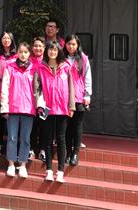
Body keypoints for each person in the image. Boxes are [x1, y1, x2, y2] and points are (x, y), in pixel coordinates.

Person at [0, 42, 44, 178]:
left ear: (29, 54)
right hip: (13, 108)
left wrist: (39, 105)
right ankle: (11, 164)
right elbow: (4, 88)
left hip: (28, 109)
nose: (23, 55)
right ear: (17, 53)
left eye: (26, 52)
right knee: (12, 138)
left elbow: (39, 89)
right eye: (21, 52)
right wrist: (4, 107)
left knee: (25, 138)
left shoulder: (35, 68)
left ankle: (23, 165)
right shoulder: (10, 67)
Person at [38, 40, 75, 183]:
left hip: (62, 108)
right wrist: (39, 106)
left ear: (59, 51)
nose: (52, 52)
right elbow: (37, 88)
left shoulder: (66, 67)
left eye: (55, 49)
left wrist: (71, 106)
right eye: (50, 49)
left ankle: (60, 171)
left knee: (61, 139)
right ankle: (48, 170)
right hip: (47, 108)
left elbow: (71, 88)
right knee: (47, 139)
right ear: (46, 51)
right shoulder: (41, 67)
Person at [63, 34, 92, 166]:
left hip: (78, 96)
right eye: (69, 44)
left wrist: (87, 94)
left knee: (77, 125)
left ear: (78, 45)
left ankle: (75, 153)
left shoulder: (83, 58)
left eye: (74, 44)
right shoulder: (61, 57)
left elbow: (87, 77)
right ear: (65, 45)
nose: (71, 46)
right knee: (66, 126)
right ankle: (68, 152)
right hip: (64, 96)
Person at [0, 31, 17, 156]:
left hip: (13, 93)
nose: (6, 40)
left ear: (12, 40)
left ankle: (12, 146)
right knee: (0, 118)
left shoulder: (17, 56)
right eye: (4, 38)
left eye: (8, 38)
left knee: (13, 120)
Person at [29, 37, 45, 161]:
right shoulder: (28, 60)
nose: (37, 48)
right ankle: (31, 149)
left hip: (45, 99)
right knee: (32, 125)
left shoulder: (48, 61)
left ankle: (43, 150)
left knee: (44, 124)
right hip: (30, 99)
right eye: (35, 46)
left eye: (40, 46)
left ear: (44, 48)